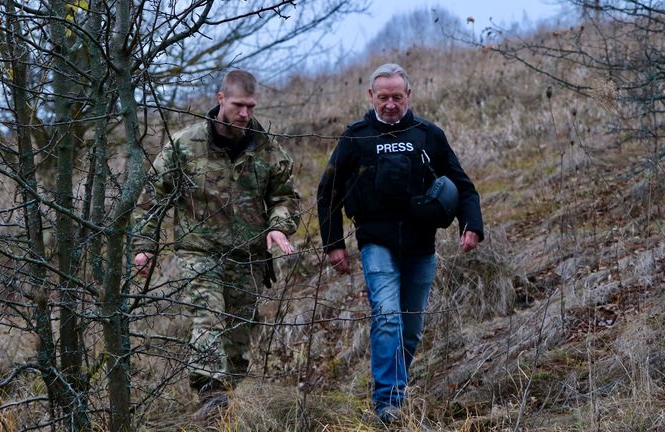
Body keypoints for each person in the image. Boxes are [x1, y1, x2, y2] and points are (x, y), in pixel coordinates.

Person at [316, 63, 484, 424]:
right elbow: (327, 190)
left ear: (409, 95)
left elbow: (463, 185)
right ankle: (387, 402)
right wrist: (334, 244)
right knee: (388, 316)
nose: (390, 104)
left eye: (396, 96)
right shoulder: (355, 137)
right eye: (383, 97)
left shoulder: (428, 135)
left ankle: (397, 392)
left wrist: (471, 225)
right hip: (376, 242)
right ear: (370, 97)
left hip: (421, 245)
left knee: (410, 327)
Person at [132, 69, 300, 415]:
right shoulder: (184, 145)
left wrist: (279, 226)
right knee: (208, 318)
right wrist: (144, 245)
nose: (245, 114)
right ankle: (210, 396)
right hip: (199, 251)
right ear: (220, 99)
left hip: (249, 257)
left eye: (251, 106)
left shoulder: (267, 149)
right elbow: (152, 197)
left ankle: (226, 409)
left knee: (238, 339)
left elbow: (285, 197)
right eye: (238, 105)